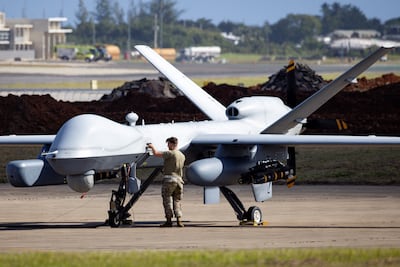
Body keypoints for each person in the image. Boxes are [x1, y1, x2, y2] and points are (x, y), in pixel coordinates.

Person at [147, 137, 186, 227]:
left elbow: (156, 153)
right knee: (177, 200)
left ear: (172, 144)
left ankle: (169, 220)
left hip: (169, 180)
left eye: (168, 144)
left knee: (167, 199)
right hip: (179, 180)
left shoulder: (170, 153)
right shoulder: (182, 155)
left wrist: (151, 146)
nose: (167, 146)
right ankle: (179, 219)